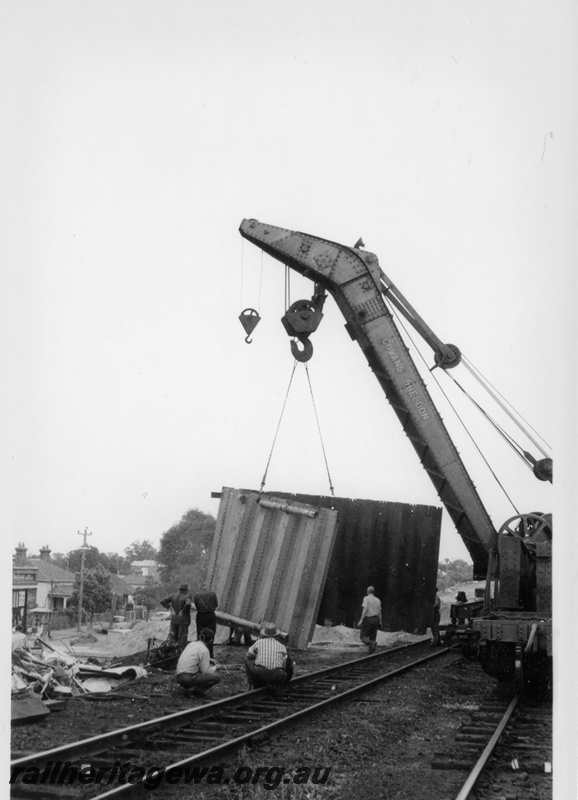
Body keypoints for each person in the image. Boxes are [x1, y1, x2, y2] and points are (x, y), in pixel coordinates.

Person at [245, 623, 293, 689]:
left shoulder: (259, 642)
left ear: (264, 634)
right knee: (288, 662)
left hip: (261, 674)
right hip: (277, 675)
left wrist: (256, 657)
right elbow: (286, 664)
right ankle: (282, 684)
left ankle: (250, 684)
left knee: (248, 660)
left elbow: (248, 655)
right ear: (276, 635)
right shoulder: (282, 646)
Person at [175, 628, 221, 697]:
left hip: (178, 677)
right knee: (216, 677)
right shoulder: (205, 650)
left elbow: (193, 656)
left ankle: (185, 688)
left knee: (197, 670)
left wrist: (209, 659)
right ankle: (193, 691)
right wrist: (215, 667)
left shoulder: (192, 644)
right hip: (187, 678)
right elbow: (205, 671)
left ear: (200, 636)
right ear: (211, 640)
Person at [160, 583, 193, 649]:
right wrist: (182, 611)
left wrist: (170, 607)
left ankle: (172, 652)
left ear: (179, 589)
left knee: (172, 639)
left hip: (174, 621)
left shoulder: (173, 595)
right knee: (182, 640)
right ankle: (180, 653)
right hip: (183, 622)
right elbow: (188, 604)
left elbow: (162, 601)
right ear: (186, 590)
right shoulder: (187, 596)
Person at [193, 583, 219, 658]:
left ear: (200, 586)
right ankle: (210, 656)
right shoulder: (212, 593)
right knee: (210, 635)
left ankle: (200, 655)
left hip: (200, 615)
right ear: (206, 586)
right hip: (210, 615)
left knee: (200, 635)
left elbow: (196, 605)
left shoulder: (196, 594)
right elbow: (216, 604)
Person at [358, 585, 382, 653]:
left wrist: (361, 619)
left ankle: (371, 643)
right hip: (376, 619)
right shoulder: (378, 600)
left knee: (362, 636)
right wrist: (380, 622)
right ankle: (371, 652)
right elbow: (379, 612)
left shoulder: (366, 598)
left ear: (367, 592)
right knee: (373, 636)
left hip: (368, 619)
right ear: (374, 592)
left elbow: (365, 609)